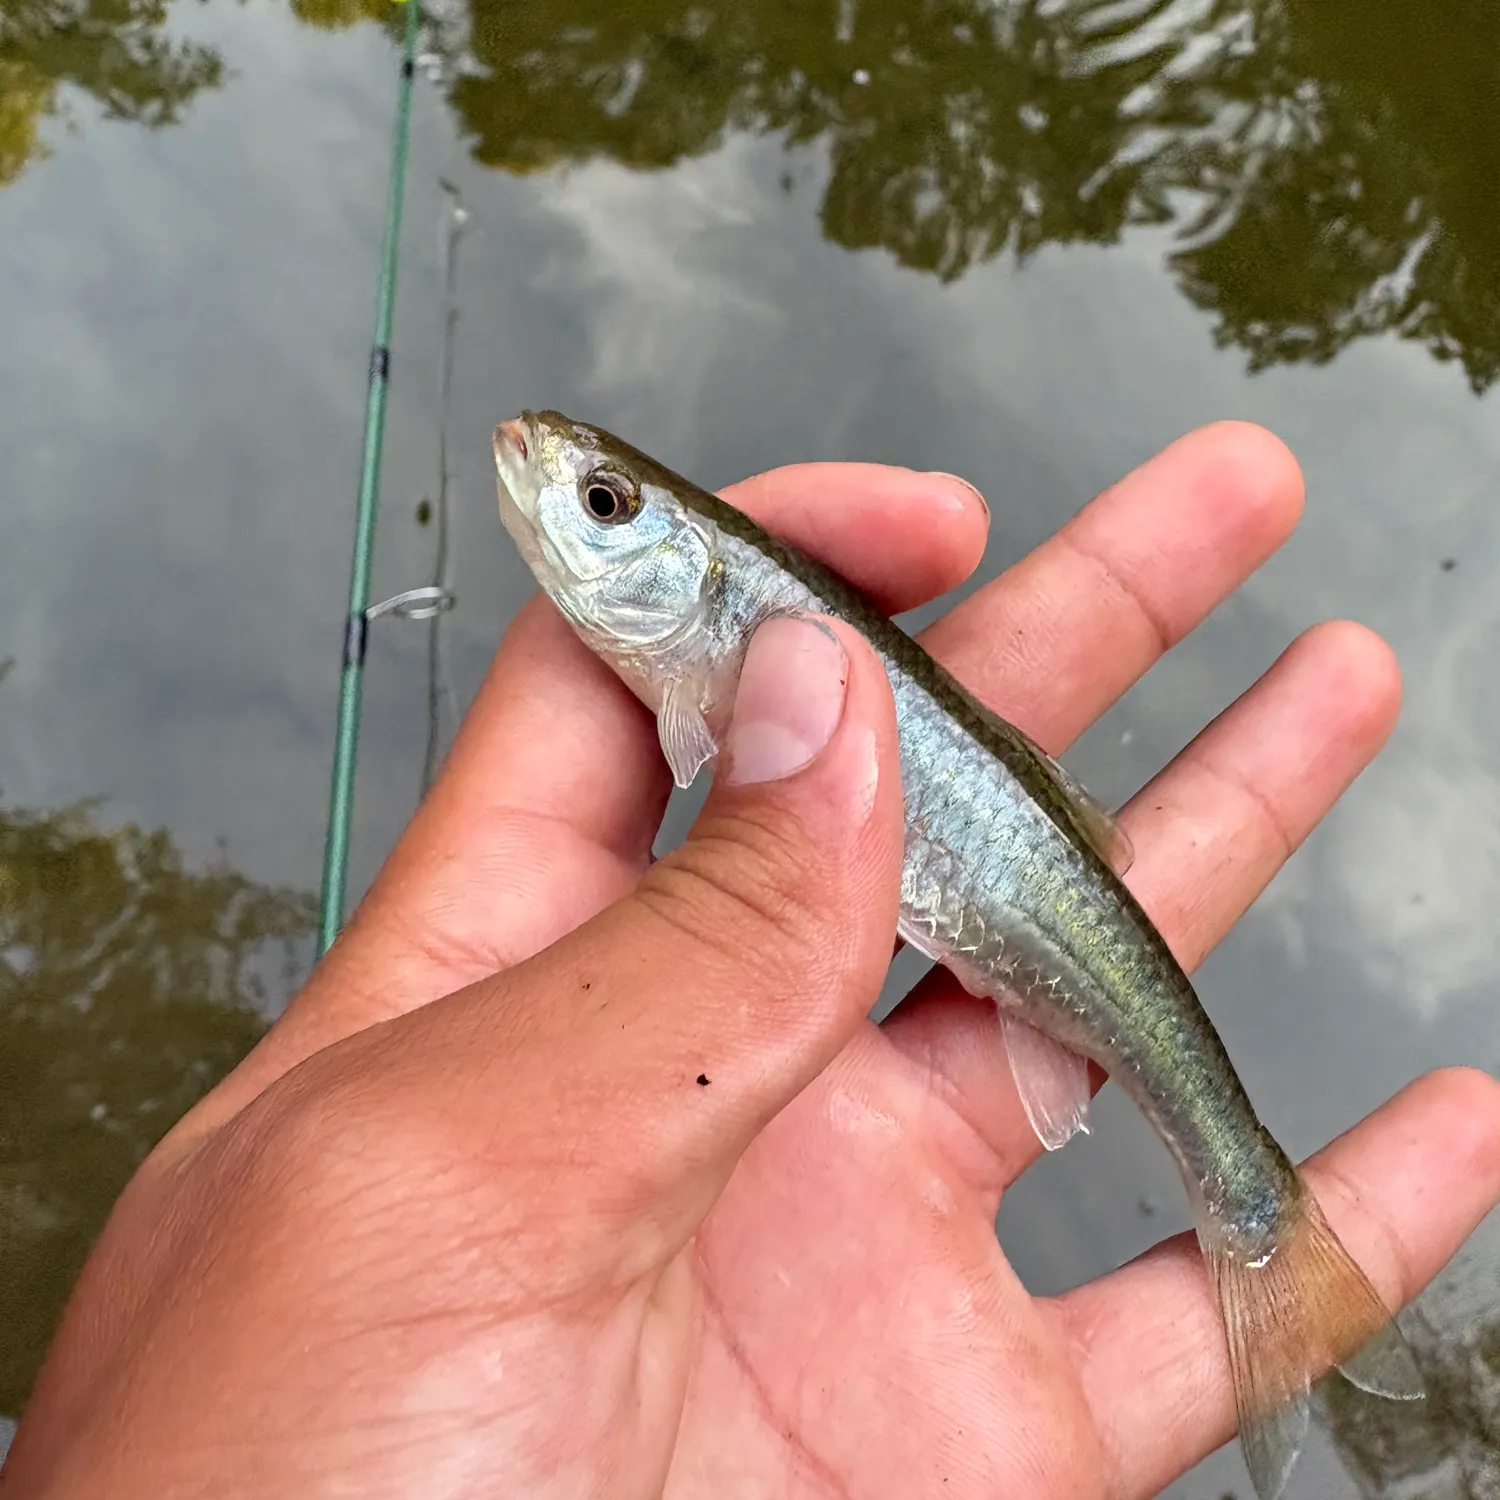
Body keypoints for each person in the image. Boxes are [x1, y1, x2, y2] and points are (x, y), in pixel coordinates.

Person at [5, 423, 1497, 1500]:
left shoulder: (737, 636)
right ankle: (1263, 1229)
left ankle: (1257, 1215)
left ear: (713, 595)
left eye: (597, 503)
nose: (541, 484)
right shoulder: (705, 647)